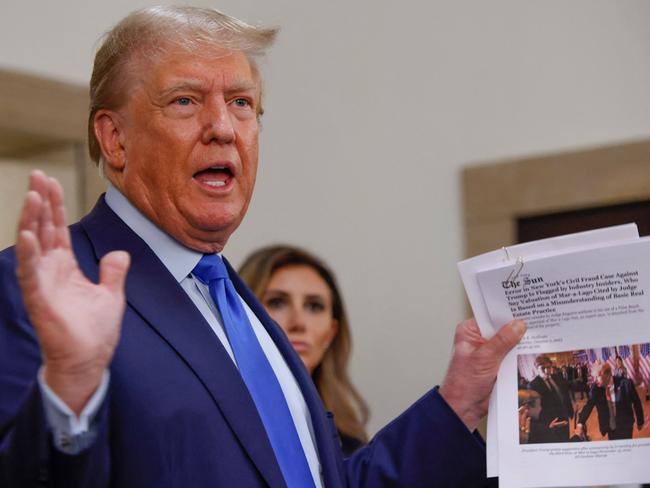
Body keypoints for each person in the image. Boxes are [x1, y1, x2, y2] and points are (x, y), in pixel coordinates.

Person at [0, 6, 526, 487]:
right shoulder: (33, 289)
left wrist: (457, 403)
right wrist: (68, 391)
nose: (223, 128)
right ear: (115, 139)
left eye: (241, 103)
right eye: (185, 100)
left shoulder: (241, 308)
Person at [238, 244, 369, 455]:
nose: (299, 323)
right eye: (277, 302)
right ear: (239, 316)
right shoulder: (211, 420)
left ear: (331, 332)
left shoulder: (351, 445)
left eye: (314, 306)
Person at [578, 362, 644, 440]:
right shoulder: (596, 388)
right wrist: (580, 423)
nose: (595, 380)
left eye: (598, 376)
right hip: (610, 428)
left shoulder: (626, 383)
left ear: (608, 375)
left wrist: (640, 421)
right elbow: (589, 405)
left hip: (625, 426)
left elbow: (636, 402)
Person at [529, 354, 574, 442]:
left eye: (549, 367)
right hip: (551, 422)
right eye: (543, 368)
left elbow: (565, 393)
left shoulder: (557, 377)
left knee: (566, 440)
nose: (546, 370)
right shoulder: (533, 385)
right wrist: (547, 425)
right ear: (536, 368)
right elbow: (534, 410)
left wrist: (570, 409)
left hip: (565, 416)